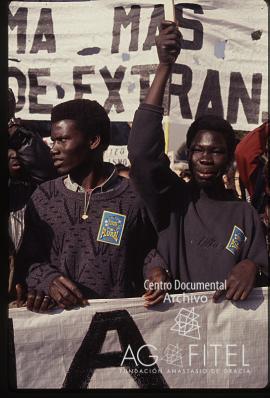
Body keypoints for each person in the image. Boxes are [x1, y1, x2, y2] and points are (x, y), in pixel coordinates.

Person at [128, 21, 268, 301]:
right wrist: (165, 67)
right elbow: (142, 152)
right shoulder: (171, 201)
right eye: (197, 150)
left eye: (215, 151)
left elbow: (263, 269)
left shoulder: (245, 214)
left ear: (229, 160)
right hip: (175, 331)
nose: (205, 158)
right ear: (189, 155)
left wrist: (252, 267)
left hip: (226, 338)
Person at [16, 99, 168, 312]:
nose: (53, 149)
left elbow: (146, 252)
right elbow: (28, 261)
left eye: (62, 140)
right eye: (53, 141)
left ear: (93, 141)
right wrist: (47, 281)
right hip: (58, 327)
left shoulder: (133, 197)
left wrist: (156, 271)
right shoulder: (43, 196)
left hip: (116, 326)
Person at [8, 88, 57, 304]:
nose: (13, 154)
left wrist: (16, 134)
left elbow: (45, 170)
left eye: (16, 150)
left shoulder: (33, 194)